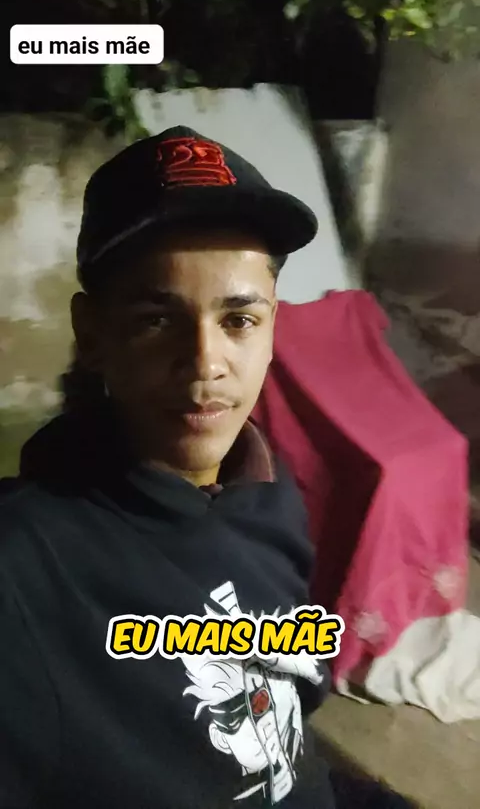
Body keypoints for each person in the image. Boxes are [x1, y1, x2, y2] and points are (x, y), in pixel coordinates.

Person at [0, 126, 411, 809]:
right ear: (93, 334)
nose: (205, 363)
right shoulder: (24, 570)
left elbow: (292, 712)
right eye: (157, 320)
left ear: (273, 327)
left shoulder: (269, 494)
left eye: (239, 320)